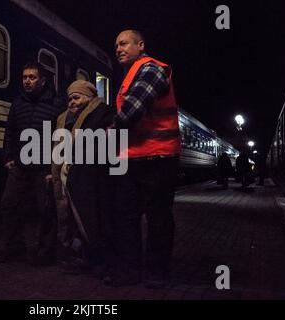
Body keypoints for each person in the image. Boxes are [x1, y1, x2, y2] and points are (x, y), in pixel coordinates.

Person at [106, 30, 181, 288]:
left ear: (141, 45)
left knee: (157, 217)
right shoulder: (130, 76)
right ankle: (130, 270)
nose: (118, 48)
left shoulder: (151, 69)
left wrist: (109, 130)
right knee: (125, 216)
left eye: (124, 43)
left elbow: (132, 109)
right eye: (116, 45)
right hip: (133, 158)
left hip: (158, 158)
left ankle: (157, 273)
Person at [0, 62, 64, 265]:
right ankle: (13, 248)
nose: (27, 81)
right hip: (20, 164)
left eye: (32, 77)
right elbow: (10, 131)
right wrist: (8, 157)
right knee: (9, 204)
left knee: (45, 210)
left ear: (42, 81)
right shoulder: (18, 103)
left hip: (43, 166)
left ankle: (45, 253)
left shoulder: (56, 103)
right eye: (25, 77)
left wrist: (54, 166)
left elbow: (60, 136)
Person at [52, 80, 114, 277]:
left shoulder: (101, 113)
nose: (72, 102)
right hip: (70, 176)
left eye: (77, 97)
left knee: (92, 219)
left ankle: (99, 262)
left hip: (92, 177)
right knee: (76, 221)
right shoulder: (65, 119)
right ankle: (85, 259)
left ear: (88, 98)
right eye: (70, 98)